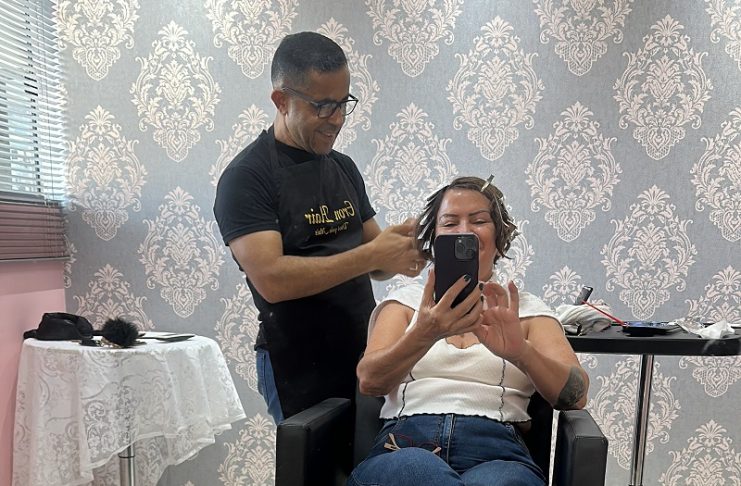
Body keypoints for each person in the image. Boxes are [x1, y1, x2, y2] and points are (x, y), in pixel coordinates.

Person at [213, 32, 424, 423]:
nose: (338, 119)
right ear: (281, 100)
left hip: (359, 349)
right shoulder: (247, 178)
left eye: (343, 103)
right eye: (323, 106)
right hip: (296, 363)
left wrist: (408, 248)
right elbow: (273, 280)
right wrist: (371, 255)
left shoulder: (342, 167)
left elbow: (377, 263)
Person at [349, 176, 589, 486]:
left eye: (478, 221)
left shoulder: (527, 311)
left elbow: (576, 396)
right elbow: (370, 381)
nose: (464, 231)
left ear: (499, 236)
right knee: (415, 469)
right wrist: (424, 333)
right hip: (405, 443)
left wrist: (521, 352)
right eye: (450, 223)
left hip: (498, 451)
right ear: (434, 238)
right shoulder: (404, 304)